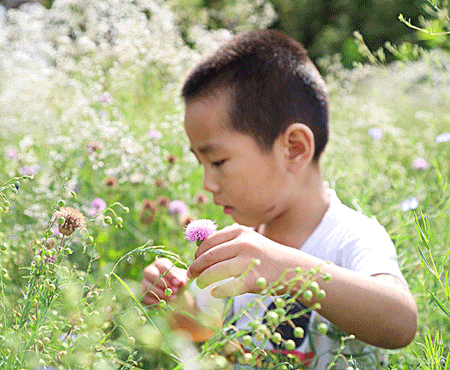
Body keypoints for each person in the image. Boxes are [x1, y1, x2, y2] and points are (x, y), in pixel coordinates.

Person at [141, 29, 417, 369]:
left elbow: (400, 322)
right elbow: (204, 327)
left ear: (294, 149)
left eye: (218, 162)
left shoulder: (349, 237)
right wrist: (176, 301)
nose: (208, 183)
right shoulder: (243, 244)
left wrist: (288, 269)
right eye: (201, 164)